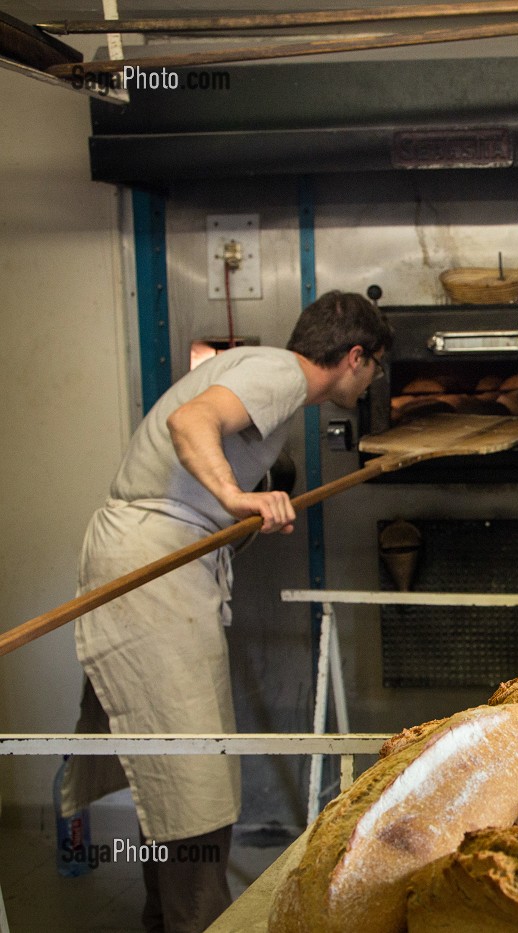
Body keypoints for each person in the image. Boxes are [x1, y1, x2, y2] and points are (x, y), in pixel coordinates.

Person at [61, 291, 392, 932]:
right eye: (375, 366)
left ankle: (166, 917)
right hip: (152, 568)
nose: (373, 379)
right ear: (355, 356)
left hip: (157, 561)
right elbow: (191, 423)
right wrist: (238, 496)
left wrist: (265, 488)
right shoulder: (280, 372)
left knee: (172, 759)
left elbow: (222, 444)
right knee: (192, 771)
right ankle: (198, 924)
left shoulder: (276, 387)